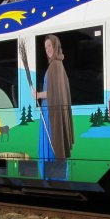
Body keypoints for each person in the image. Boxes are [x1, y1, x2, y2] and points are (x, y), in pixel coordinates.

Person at [32, 34, 74, 178]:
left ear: (55, 46)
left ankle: (53, 177)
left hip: (51, 116)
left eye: (50, 46)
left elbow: (54, 92)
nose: (48, 49)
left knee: (51, 147)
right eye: (45, 47)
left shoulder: (55, 65)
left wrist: (38, 95)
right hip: (50, 112)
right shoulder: (56, 65)